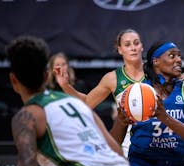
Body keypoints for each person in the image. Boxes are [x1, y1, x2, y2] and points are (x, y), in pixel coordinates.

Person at [0, 35, 151, 166]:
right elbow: (115, 152)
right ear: (47, 76)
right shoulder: (77, 105)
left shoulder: (26, 117)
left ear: (13, 80)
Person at [57, 28, 145, 157]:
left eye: (136, 43)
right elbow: (87, 103)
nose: (133, 48)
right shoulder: (112, 78)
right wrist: (66, 86)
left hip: (156, 143)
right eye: (127, 44)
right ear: (120, 50)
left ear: (142, 46)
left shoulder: (154, 72)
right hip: (129, 147)